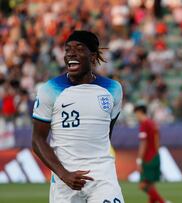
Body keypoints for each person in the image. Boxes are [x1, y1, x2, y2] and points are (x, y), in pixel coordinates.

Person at [32, 30, 125, 203]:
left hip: (102, 176)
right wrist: (63, 174)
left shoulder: (113, 89)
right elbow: (37, 139)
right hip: (65, 180)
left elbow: (107, 133)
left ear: (92, 55)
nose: (71, 53)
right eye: (67, 50)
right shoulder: (49, 89)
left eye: (79, 48)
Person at [133, 104, 168, 203]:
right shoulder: (153, 123)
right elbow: (157, 142)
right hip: (156, 156)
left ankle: (163, 202)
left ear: (139, 112)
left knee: (143, 185)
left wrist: (139, 160)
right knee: (151, 185)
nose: (136, 117)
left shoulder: (144, 124)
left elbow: (143, 143)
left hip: (148, 158)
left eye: (136, 114)